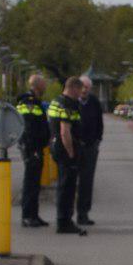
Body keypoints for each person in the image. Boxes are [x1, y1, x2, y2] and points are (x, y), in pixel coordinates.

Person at [48, 76, 90, 236]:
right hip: (66, 149)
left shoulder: (55, 101)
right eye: (80, 90)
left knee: (63, 185)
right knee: (68, 187)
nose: (80, 94)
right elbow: (65, 131)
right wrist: (71, 153)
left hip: (56, 146)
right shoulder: (68, 104)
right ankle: (64, 222)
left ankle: (63, 220)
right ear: (73, 88)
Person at [16, 73, 50, 228]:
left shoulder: (35, 101)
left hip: (36, 147)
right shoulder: (29, 102)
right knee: (30, 183)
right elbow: (29, 128)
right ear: (38, 85)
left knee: (35, 183)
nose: (46, 86)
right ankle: (27, 216)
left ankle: (34, 215)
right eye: (44, 84)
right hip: (31, 148)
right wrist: (33, 148)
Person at [73, 80, 105, 227]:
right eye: (82, 87)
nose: (84, 90)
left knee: (87, 181)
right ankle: (67, 215)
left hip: (90, 147)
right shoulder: (72, 102)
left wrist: (97, 140)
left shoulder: (94, 102)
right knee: (71, 181)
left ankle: (83, 213)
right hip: (75, 146)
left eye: (87, 87)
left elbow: (100, 123)